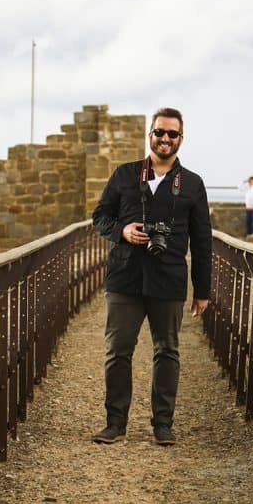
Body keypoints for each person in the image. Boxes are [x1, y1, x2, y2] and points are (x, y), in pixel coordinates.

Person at [91, 108, 212, 446]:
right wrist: (122, 230)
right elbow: (99, 216)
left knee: (168, 351)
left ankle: (163, 424)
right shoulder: (125, 174)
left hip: (169, 279)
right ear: (151, 135)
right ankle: (115, 423)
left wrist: (202, 290)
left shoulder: (192, 184)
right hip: (125, 277)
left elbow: (203, 241)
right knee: (117, 351)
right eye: (160, 132)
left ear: (181, 139)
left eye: (172, 134)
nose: (165, 139)